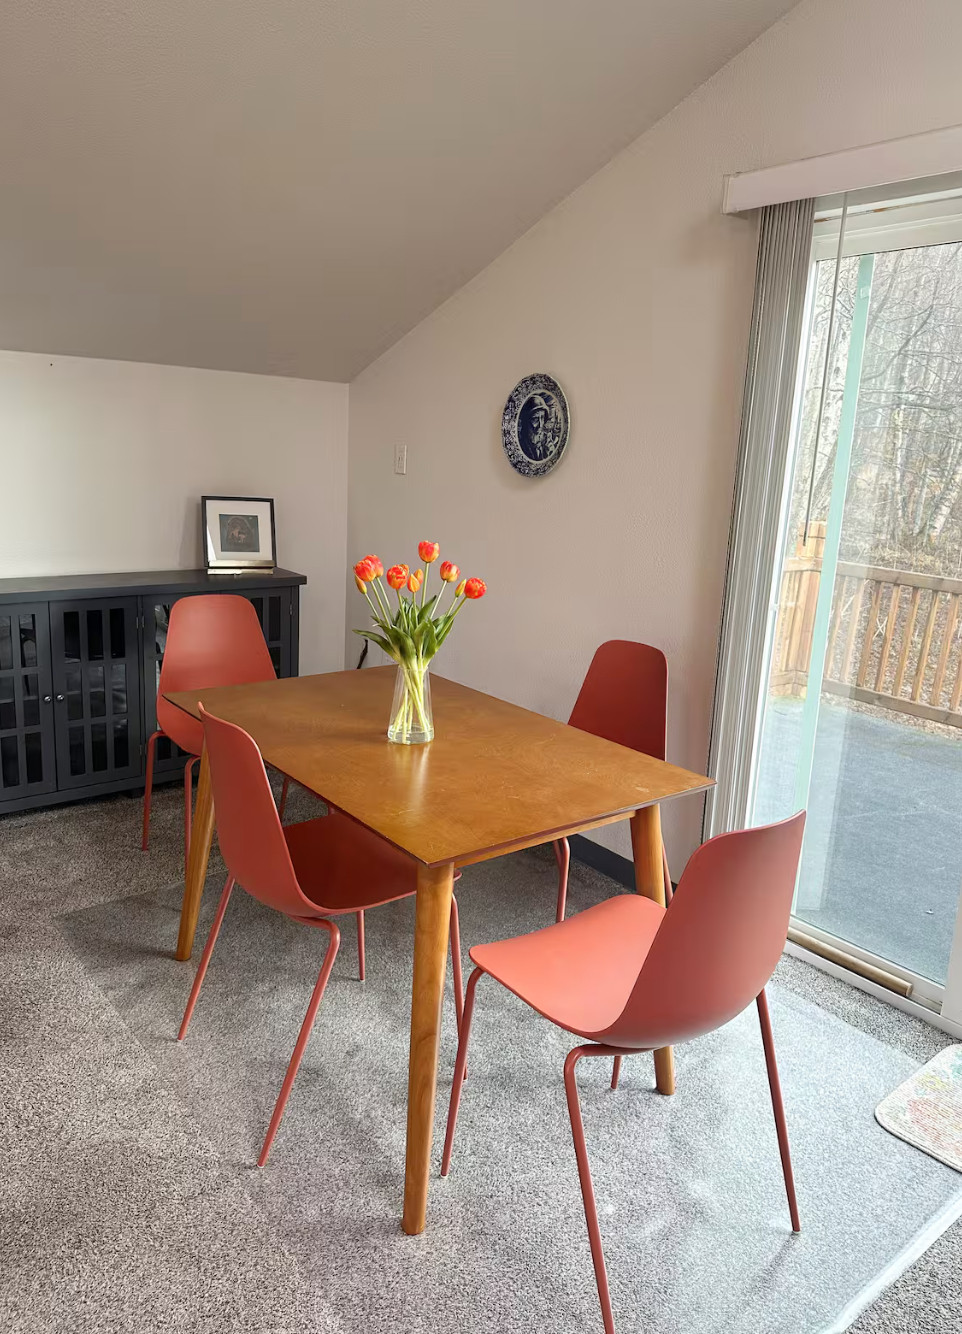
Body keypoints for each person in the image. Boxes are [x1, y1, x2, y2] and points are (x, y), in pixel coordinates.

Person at [517, 394, 555, 461]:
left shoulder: (546, 440)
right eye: (535, 419)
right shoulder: (521, 446)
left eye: (542, 418)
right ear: (526, 422)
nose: (540, 425)